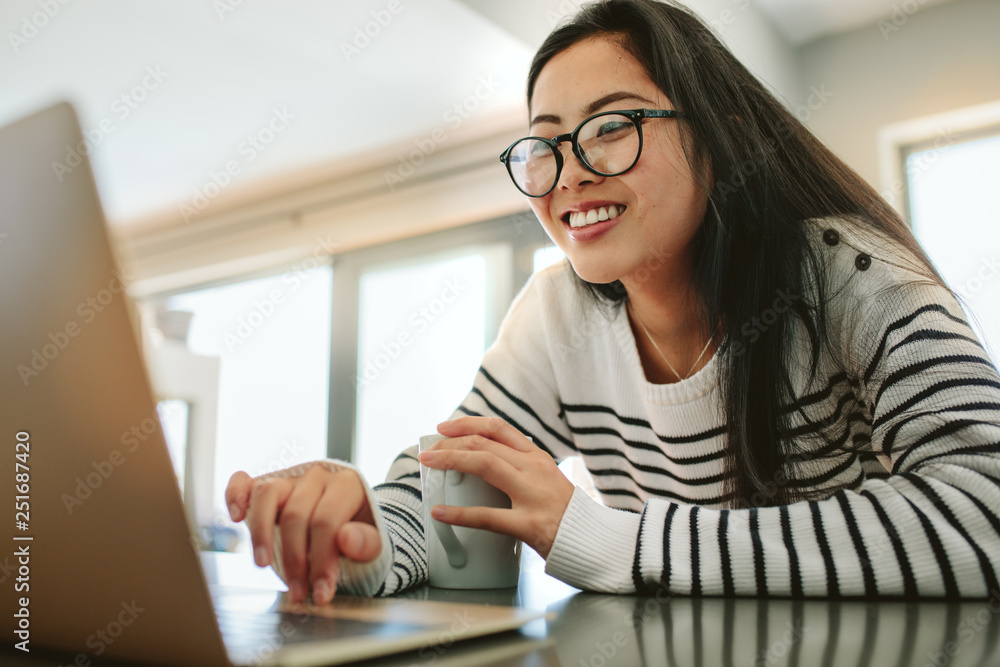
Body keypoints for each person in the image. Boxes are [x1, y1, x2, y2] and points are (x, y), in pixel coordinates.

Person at [226, 0, 1000, 603]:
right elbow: (453, 487)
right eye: (546, 144)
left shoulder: (849, 271)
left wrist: (614, 541)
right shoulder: (556, 314)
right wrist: (360, 535)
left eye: (612, 127)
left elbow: (986, 513)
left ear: (720, 139)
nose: (568, 174)